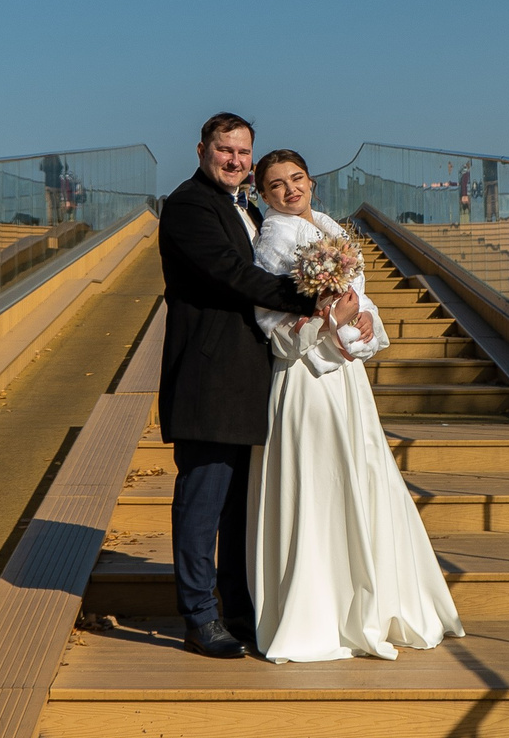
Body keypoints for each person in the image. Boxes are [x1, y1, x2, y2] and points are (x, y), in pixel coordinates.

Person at [246, 149, 462, 662]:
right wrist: (329, 320)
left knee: (359, 478)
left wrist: (362, 320)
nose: (288, 191)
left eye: (296, 179)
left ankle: (367, 601)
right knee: (320, 485)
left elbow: (358, 303)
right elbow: (274, 329)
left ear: (312, 181)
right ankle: (319, 611)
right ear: (263, 194)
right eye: (275, 185)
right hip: (306, 382)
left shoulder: (329, 230)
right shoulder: (274, 238)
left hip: (347, 380)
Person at [158, 113, 361, 659]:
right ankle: (200, 616)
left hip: (250, 379)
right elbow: (230, 272)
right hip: (208, 376)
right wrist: (310, 300)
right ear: (202, 149)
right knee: (203, 501)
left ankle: (241, 612)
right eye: (225, 150)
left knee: (236, 508)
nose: (235, 160)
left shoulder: (246, 207)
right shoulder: (188, 206)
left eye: (243, 152)